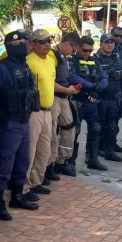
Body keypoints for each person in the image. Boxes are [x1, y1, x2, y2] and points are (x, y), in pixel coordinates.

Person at [0, 31, 39, 220]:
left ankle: (17, 196)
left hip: (23, 120)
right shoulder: (1, 69)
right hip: (8, 122)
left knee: (22, 160)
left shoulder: (24, 66)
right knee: (4, 163)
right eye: (25, 43)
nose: (28, 46)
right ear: (15, 45)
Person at [25, 29, 56, 195]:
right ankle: (23, 186)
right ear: (33, 44)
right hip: (34, 112)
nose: (47, 44)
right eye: (42, 41)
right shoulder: (29, 62)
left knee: (44, 150)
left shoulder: (50, 60)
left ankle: (36, 181)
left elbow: (52, 84)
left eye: (49, 40)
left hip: (47, 111)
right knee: (30, 150)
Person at [50, 33, 84, 178]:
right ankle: (48, 166)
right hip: (54, 98)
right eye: (74, 49)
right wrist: (67, 89)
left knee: (70, 128)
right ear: (68, 44)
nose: (74, 53)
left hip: (64, 97)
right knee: (51, 133)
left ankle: (60, 160)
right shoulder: (52, 56)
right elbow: (48, 83)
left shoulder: (63, 57)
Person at [94, 29, 122, 163]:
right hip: (100, 98)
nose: (110, 45)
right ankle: (93, 152)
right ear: (101, 44)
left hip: (115, 97)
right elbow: (94, 76)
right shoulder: (96, 58)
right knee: (97, 127)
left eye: (111, 42)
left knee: (112, 126)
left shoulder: (117, 57)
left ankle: (109, 151)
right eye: (107, 42)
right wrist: (109, 73)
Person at [73, 37, 109, 172]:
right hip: (77, 100)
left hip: (92, 101)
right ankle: (70, 162)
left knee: (95, 129)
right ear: (77, 47)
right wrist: (92, 86)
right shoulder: (72, 61)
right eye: (84, 50)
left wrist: (99, 87)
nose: (87, 53)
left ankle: (92, 159)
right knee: (74, 132)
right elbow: (73, 77)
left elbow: (104, 77)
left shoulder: (95, 61)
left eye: (90, 50)